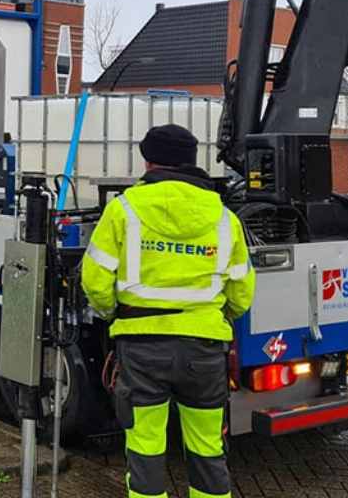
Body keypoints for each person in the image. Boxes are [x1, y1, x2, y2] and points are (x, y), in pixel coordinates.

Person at [80, 124, 256, 498]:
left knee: (145, 448)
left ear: (148, 160)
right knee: (208, 449)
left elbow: (95, 281)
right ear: (192, 161)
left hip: (142, 347)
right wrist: (215, 318)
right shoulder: (225, 218)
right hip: (204, 349)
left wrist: (114, 312)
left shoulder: (124, 209)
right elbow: (241, 292)